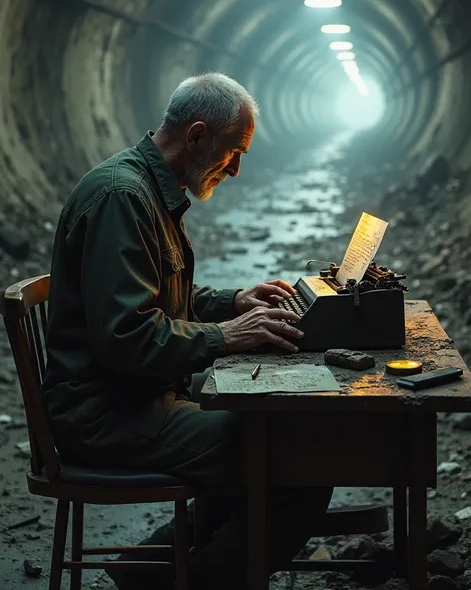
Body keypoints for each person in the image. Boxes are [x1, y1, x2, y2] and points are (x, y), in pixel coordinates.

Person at [42, 72, 332, 590]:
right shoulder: (121, 198)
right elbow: (126, 337)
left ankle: (147, 570)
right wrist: (227, 337)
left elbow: (159, 297)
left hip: (134, 397)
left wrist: (233, 302)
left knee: (270, 428)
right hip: (106, 415)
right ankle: (185, 581)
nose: (237, 170)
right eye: (233, 152)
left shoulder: (149, 188)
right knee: (296, 461)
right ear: (197, 135)